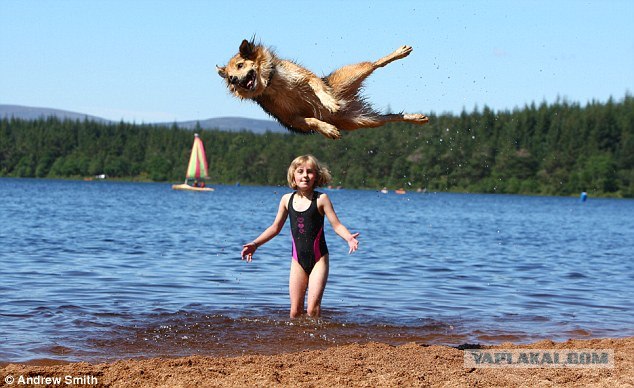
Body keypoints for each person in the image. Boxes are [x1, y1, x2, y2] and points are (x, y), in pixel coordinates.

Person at [241, 155, 360, 318]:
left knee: (312, 309)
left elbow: (336, 225)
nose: (305, 175)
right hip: (297, 260)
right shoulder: (286, 199)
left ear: (316, 176)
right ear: (293, 176)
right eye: (300, 171)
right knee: (295, 311)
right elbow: (275, 227)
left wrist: (348, 238)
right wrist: (255, 244)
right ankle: (297, 342)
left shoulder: (321, 199)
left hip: (319, 259)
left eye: (310, 172)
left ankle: (318, 340)